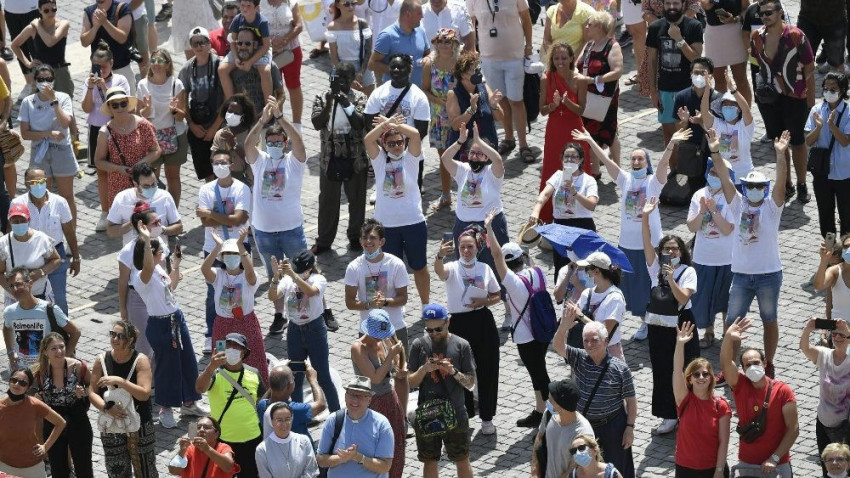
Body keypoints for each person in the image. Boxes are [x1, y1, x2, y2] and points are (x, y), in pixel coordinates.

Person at [572, 127, 670, 341]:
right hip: (627, 245)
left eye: (640, 159)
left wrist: (671, 144)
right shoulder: (625, 179)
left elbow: (664, 164)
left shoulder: (653, 182)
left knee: (650, 284)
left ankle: (654, 320)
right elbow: (607, 162)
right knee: (632, 286)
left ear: (647, 163)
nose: (636, 162)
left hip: (649, 244)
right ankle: (644, 321)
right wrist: (590, 140)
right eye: (633, 159)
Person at [721, 131, 789, 380]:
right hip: (741, 275)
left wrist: (780, 155)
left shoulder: (772, 207)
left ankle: (768, 363)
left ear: (765, 189)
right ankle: (728, 366)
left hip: (769, 274)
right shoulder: (738, 204)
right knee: (732, 323)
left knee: (769, 319)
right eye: (749, 186)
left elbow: (781, 183)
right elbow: (725, 179)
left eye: (759, 186)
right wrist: (716, 151)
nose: (754, 189)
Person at [245, 96, 309, 334]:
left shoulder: (294, 162)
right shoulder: (260, 161)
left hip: (291, 229)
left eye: (277, 142)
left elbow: (299, 141)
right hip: (264, 231)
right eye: (269, 142)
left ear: (284, 143)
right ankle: (279, 315)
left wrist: (281, 118)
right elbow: (248, 146)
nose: (273, 145)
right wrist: (262, 121)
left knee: (302, 270)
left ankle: (307, 311)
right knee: (274, 275)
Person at [132, 223, 205, 428]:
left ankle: (189, 402)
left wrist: (177, 265)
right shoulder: (140, 276)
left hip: (176, 318)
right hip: (161, 324)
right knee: (167, 367)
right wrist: (147, 239)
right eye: (159, 251)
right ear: (150, 253)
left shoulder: (158, 269)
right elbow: (147, 268)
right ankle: (165, 408)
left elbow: (170, 288)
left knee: (187, 360)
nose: (163, 253)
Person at [434, 225, 501, 434]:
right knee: (460, 370)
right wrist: (439, 256)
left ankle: (487, 417)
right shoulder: (453, 267)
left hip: (482, 320)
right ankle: (465, 413)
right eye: (462, 247)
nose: (466, 250)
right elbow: (440, 272)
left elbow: (497, 295)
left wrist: (484, 301)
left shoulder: (484, 268)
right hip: (459, 323)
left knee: (487, 368)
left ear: (477, 248)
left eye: (470, 246)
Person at [641, 194, 699, 435]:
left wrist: (672, 278)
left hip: (682, 324)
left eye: (675, 249)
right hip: (658, 324)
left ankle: (690, 412)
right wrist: (646, 217)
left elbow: (683, 298)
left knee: (687, 368)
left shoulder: (688, 271)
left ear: (681, 251)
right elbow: (646, 242)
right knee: (662, 368)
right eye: (667, 249)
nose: (671, 252)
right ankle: (668, 414)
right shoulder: (655, 267)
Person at [486, 224, 552, 428]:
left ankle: (551, 416)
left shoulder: (512, 282)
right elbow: (527, 262)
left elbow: (497, 255)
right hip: (543, 330)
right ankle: (540, 411)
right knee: (538, 373)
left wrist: (489, 228)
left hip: (526, 336)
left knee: (540, 376)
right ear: (522, 258)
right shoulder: (538, 272)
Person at [750, 0, 814, 203]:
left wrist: (807, 97)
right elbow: (756, 65)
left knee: (797, 141)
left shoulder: (795, 35)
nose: (765, 16)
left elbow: (809, 67)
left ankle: (802, 183)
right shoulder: (756, 37)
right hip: (769, 98)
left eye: (769, 12)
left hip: (795, 97)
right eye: (761, 13)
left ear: (779, 13)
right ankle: (787, 184)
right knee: (779, 142)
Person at [553, 320, 636, 478]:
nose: (589, 344)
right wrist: (564, 326)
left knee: (618, 467)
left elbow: (631, 401)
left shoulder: (620, 368)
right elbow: (557, 346)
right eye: (586, 340)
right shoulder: (579, 357)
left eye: (594, 340)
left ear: (606, 341)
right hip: (586, 426)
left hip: (613, 427)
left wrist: (629, 428)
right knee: (586, 469)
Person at [719, 317, 799, 478]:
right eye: (747, 365)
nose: (752, 367)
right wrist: (728, 338)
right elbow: (726, 363)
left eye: (756, 363)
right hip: (747, 462)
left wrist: (774, 458)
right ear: (743, 369)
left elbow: (793, 429)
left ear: (765, 363)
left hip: (778, 463)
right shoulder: (740, 385)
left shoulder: (783, 391)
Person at [364, 114, 431, 304]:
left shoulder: (411, 158)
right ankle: (392, 305)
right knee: (389, 269)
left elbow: (416, 135)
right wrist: (385, 125)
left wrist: (395, 125)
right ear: (384, 146)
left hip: (413, 222)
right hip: (386, 225)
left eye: (399, 142)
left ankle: (425, 305)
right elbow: (368, 140)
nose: (396, 147)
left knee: (419, 266)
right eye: (391, 144)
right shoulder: (379, 160)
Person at [408, 304, 477, 478]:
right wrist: (424, 369)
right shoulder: (418, 345)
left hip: (455, 413)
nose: (434, 333)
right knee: (430, 461)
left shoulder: (461, 345)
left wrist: (453, 372)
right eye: (429, 330)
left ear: (448, 322)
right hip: (427, 414)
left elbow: (470, 383)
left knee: (462, 459)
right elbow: (411, 381)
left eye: (438, 329)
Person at [440, 124, 509, 297]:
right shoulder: (463, 170)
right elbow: (445, 159)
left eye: (480, 153)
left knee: (497, 265)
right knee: (466, 266)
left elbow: (498, 160)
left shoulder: (492, 172)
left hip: (490, 225)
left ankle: (504, 301)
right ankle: (470, 298)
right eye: (472, 152)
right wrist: (460, 141)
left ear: (486, 156)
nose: (475, 156)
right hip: (463, 225)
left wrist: (478, 140)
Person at [269, 250, 341, 411]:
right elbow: (273, 296)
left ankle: (337, 414)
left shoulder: (319, 279)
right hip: (295, 330)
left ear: (309, 269)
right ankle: (298, 415)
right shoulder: (288, 280)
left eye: (301, 271)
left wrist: (293, 275)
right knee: (295, 377)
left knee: (323, 377)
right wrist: (275, 277)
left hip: (314, 329)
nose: (297, 273)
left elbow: (311, 292)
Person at [197, 149, 252, 353]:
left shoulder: (242, 189)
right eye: (216, 163)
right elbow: (205, 222)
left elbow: (238, 219)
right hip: (213, 248)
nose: (220, 166)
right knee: (214, 292)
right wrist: (226, 218)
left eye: (224, 162)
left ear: (231, 165)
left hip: (239, 246)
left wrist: (211, 214)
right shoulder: (206, 190)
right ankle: (211, 335)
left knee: (242, 290)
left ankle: (241, 330)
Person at [685, 134, 737, 349]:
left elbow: (728, 228)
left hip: (727, 258)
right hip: (703, 257)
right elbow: (692, 227)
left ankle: (727, 332)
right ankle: (708, 331)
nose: (715, 176)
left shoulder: (732, 198)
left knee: (725, 298)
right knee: (704, 297)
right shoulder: (699, 195)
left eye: (719, 173)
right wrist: (702, 211)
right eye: (712, 172)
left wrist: (714, 212)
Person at [311, 63, 369, 255]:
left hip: (355, 159)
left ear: (353, 79)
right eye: (337, 78)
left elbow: (359, 123)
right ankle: (324, 241)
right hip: (329, 158)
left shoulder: (360, 97)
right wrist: (330, 103)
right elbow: (317, 123)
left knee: (357, 200)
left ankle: (355, 237)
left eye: (345, 78)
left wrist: (344, 102)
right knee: (328, 201)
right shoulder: (321, 97)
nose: (341, 82)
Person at [467, 0, 534, 161]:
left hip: (514, 56)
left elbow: (526, 18)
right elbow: (471, 23)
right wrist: (473, 49)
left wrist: (529, 46)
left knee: (516, 100)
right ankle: (509, 138)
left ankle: (523, 144)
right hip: (489, 58)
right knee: (500, 100)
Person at [89, 321, 157, 478]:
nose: (115, 339)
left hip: (140, 423)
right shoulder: (101, 360)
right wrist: (106, 408)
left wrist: (121, 381)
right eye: (113, 334)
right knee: (117, 470)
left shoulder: (140, 360)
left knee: (146, 470)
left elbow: (144, 394)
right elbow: (92, 392)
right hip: (111, 424)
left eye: (120, 336)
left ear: (130, 339)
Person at [201, 230, 268, 383]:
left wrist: (241, 246)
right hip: (222, 325)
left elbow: (250, 274)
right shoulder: (218, 275)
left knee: (254, 359)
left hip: (245, 323)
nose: (231, 257)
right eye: (227, 254)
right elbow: (204, 269)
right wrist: (218, 247)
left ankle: (259, 391)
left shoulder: (249, 276)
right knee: (222, 360)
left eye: (235, 254)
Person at [196, 333, 266, 478]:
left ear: (244, 352)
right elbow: (199, 388)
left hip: (252, 439)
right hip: (223, 440)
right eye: (228, 345)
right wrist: (210, 366)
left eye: (236, 346)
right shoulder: (214, 374)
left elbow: (262, 401)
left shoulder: (254, 373)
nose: (232, 349)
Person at [12, 168, 79, 315]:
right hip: (29, 257)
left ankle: (62, 328)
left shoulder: (59, 202)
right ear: (26, 184)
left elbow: (69, 232)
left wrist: (76, 257)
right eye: (33, 182)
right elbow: (11, 233)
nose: (38, 185)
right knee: (31, 300)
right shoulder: (18, 204)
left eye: (41, 181)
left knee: (59, 300)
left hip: (56, 255)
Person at [351, 310, 407, 478]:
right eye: (377, 336)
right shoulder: (358, 348)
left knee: (397, 444)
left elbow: (395, 367)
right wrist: (391, 355)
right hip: (372, 403)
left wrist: (400, 367)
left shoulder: (383, 341)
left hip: (390, 398)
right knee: (377, 448)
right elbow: (375, 378)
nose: (379, 339)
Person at [530, 141, 599, 277]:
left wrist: (575, 192)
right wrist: (536, 211)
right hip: (561, 226)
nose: (569, 160)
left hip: (582, 225)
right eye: (566, 156)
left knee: (583, 267)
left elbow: (592, 205)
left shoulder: (588, 180)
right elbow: (545, 194)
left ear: (581, 160)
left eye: (574, 157)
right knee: (561, 266)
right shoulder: (557, 176)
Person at [18, 64, 77, 221]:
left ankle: (70, 231)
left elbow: (65, 123)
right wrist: (48, 134)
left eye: (49, 79)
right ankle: (46, 228)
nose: (45, 82)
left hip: (61, 150)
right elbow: (25, 134)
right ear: (35, 81)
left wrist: (54, 101)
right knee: (42, 196)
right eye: (41, 79)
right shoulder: (28, 102)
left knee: (67, 196)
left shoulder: (63, 97)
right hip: (39, 151)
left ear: (54, 80)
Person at [363, 53, 431, 190]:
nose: (395, 70)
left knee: (412, 192)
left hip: (410, 154)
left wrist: (399, 147)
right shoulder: (379, 92)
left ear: (409, 69)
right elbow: (369, 122)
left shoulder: (419, 96)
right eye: (393, 67)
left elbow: (422, 130)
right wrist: (386, 146)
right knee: (387, 191)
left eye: (400, 67)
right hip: (384, 153)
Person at [672, 323, 731, 477]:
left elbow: (723, 441)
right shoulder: (684, 400)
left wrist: (719, 470)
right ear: (689, 379)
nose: (701, 377)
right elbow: (677, 370)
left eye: (705, 374)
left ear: (711, 378)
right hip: (685, 468)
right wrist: (680, 344)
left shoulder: (721, 405)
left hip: (712, 469)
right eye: (696, 374)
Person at [83, 43, 131, 231]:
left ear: (111, 63)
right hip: (97, 130)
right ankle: (105, 212)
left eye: (103, 66)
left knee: (122, 170)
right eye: (96, 66)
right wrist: (90, 89)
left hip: (117, 129)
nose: (100, 70)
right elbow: (87, 108)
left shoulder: (120, 81)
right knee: (102, 173)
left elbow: (121, 109)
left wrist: (104, 89)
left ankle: (125, 210)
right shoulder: (89, 83)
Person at [538, 42, 589, 223]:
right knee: (552, 168)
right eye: (556, 58)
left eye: (564, 58)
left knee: (575, 170)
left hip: (573, 130)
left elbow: (581, 110)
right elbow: (542, 110)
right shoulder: (546, 78)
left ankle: (576, 214)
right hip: (555, 130)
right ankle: (547, 215)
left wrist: (567, 103)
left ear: (571, 59)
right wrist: (553, 105)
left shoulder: (580, 80)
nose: (560, 62)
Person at [32, 332, 94, 478]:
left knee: (84, 466)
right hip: (53, 421)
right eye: (54, 348)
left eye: (61, 347)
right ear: (45, 352)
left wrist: (84, 392)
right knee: (58, 468)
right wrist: (36, 397)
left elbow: (94, 386)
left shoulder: (78, 367)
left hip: (77, 418)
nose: (59, 351)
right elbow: (30, 396)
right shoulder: (40, 372)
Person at [645, 0, 703, 146]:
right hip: (665, 90)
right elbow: (651, 61)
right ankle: (672, 162)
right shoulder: (655, 27)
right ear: (663, 5)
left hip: (689, 89)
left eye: (676, 3)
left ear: (683, 5)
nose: (672, 7)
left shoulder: (694, 26)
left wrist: (679, 39)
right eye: (668, 3)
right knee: (669, 136)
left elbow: (696, 59)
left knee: (689, 135)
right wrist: (653, 91)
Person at [344, 219, 411, 348]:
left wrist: (385, 302)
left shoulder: (396, 264)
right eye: (365, 238)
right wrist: (369, 304)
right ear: (360, 241)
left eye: (373, 238)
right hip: (368, 331)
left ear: (382, 241)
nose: (368, 241)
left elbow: (403, 298)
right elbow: (350, 302)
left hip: (395, 327)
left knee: (401, 362)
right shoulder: (353, 267)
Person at [94, 87, 162, 210]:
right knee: (123, 217)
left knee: (147, 216)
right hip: (118, 184)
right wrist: (118, 168)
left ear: (128, 104)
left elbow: (156, 150)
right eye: (115, 105)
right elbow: (99, 161)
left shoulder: (142, 125)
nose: (120, 108)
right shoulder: (105, 132)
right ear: (110, 108)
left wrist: (139, 165)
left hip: (143, 181)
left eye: (123, 104)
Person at [137, 49, 188, 206]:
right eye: (153, 61)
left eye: (160, 61)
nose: (156, 64)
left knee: (173, 177)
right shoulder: (143, 85)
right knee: (151, 178)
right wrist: (145, 110)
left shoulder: (176, 84)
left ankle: (173, 211)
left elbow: (181, 116)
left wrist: (174, 111)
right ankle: (154, 211)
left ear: (167, 64)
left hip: (175, 135)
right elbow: (139, 116)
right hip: (151, 138)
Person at [799, 318, 850, 476]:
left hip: (845, 425)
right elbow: (805, 348)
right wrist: (808, 329)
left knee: (845, 469)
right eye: (835, 334)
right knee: (827, 468)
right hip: (823, 422)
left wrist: (848, 331)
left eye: (842, 335)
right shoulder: (824, 355)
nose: (838, 338)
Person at [315, 376, 394, 477]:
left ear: (369, 400)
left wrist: (359, 457)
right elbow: (320, 460)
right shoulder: (333, 420)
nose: (355, 400)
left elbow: (385, 466)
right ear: (345, 396)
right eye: (352, 395)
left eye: (361, 396)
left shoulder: (382, 425)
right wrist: (341, 458)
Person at [806, 72, 850, 238]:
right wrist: (818, 128)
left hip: (845, 173)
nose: (829, 91)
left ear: (842, 90)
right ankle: (829, 250)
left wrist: (832, 126)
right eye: (826, 88)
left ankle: (846, 251)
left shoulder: (848, 112)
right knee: (825, 215)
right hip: (822, 172)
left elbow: (845, 141)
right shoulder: (816, 110)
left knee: (847, 215)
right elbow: (808, 141)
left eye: (833, 88)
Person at [0, 368, 66, 478]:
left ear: (29, 387)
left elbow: (60, 423)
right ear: (9, 381)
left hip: (32, 467)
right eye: (14, 380)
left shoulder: (34, 404)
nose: (17, 384)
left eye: (22, 383)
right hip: (5, 466)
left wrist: (45, 447)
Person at [577, 11, 622, 171]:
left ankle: (617, 169)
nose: (586, 27)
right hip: (587, 96)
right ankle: (595, 169)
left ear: (600, 27)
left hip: (605, 99)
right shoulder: (589, 45)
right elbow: (577, 65)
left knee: (609, 133)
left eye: (590, 24)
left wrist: (594, 80)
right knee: (590, 132)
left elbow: (617, 72)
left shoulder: (612, 46)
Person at [181, 27, 224, 183]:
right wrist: (191, 124)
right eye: (195, 43)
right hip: (198, 125)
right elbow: (182, 99)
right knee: (207, 172)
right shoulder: (187, 69)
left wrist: (215, 127)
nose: (199, 46)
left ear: (209, 43)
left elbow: (228, 97)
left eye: (202, 42)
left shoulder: (220, 64)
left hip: (219, 124)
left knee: (223, 168)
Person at [422, 28, 459, 211]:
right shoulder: (430, 63)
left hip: (457, 114)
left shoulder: (460, 63)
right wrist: (439, 101)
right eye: (441, 42)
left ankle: (468, 193)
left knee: (463, 156)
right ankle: (446, 194)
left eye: (448, 42)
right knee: (444, 157)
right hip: (438, 116)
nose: (444, 45)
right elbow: (424, 89)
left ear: (454, 44)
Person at [444, 51, 503, 164]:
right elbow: (455, 125)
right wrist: (471, 110)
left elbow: (500, 118)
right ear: (463, 75)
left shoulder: (484, 87)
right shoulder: (453, 94)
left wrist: (494, 106)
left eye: (478, 67)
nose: (478, 71)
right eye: (473, 69)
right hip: (465, 150)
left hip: (487, 145)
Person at [529, 379, 594, 478]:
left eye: (551, 399)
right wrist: (535, 472)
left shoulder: (583, 433)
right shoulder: (549, 414)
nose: (547, 400)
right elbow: (539, 439)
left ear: (560, 406)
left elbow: (577, 469)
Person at [107, 162, 182, 246]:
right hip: (133, 251)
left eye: (154, 184)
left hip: (159, 250)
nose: (151, 188)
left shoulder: (165, 196)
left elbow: (179, 226)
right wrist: (132, 224)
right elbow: (111, 231)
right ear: (135, 184)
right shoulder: (122, 198)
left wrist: (163, 230)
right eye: (146, 186)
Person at [0, 203, 61, 304]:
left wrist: (40, 272)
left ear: (28, 220)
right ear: (10, 222)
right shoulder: (3, 243)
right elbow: (0, 273)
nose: (19, 224)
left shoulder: (41, 239)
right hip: (15, 299)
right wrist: (14, 291)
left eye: (22, 221)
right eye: (15, 221)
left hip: (41, 295)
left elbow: (56, 260)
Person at [700, 73, 755, 182]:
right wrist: (707, 90)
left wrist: (733, 90)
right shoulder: (717, 125)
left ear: (738, 109)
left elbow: (746, 109)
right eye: (725, 104)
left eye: (732, 105)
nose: (727, 107)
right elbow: (704, 111)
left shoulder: (745, 125)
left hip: (746, 177)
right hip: (724, 178)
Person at [218, 0, 273, 104]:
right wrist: (236, 58)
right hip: (240, 47)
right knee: (222, 69)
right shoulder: (237, 19)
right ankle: (232, 102)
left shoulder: (262, 22)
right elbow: (232, 40)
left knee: (265, 71)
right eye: (243, 5)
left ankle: (268, 105)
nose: (245, 8)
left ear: (256, 8)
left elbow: (266, 46)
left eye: (248, 6)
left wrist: (250, 62)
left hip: (259, 49)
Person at [261, 0, 304, 131]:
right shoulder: (259, 3)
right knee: (275, 89)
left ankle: (297, 126)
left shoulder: (291, 2)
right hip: (269, 52)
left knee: (294, 85)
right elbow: (254, 24)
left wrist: (284, 40)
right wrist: (269, 42)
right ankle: (278, 125)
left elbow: (299, 26)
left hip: (291, 50)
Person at [369, 0, 431, 87]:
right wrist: (397, 70)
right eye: (419, 13)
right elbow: (372, 64)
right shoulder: (387, 36)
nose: (422, 16)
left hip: (418, 90)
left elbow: (428, 53)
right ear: (408, 14)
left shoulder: (420, 32)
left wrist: (428, 58)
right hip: (394, 91)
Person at [81, 0, 136, 94]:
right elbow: (84, 42)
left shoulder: (122, 9)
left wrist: (104, 22)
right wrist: (95, 27)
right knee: (96, 102)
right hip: (98, 70)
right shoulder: (89, 11)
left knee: (126, 102)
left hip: (121, 68)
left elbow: (122, 38)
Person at [257, 363, 327, 438]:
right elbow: (321, 404)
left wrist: (277, 379)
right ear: (289, 386)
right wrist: (313, 379)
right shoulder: (295, 410)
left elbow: (267, 394)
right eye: (293, 379)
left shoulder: (262, 406)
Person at [700, 0, 750, 102]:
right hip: (714, 35)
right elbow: (705, 4)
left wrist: (736, 18)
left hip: (735, 32)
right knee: (719, 80)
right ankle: (721, 111)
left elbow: (746, 8)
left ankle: (745, 111)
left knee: (740, 78)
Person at [255, 402, 319, 478]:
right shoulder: (262, 450)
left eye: (287, 419)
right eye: (279, 420)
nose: (284, 424)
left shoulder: (304, 441)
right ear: (271, 421)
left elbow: (311, 469)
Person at [326, 0, 375, 94]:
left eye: (353, 3)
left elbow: (368, 51)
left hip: (363, 66)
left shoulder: (362, 24)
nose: (351, 7)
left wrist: (361, 73)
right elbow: (334, 57)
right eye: (346, 4)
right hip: (343, 68)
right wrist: (347, 78)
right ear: (338, 5)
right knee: (345, 101)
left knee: (368, 100)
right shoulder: (333, 27)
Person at [168, 416, 239, 478]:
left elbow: (228, 467)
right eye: (198, 427)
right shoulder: (189, 448)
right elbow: (173, 471)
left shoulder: (223, 448)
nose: (201, 430)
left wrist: (207, 449)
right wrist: (182, 451)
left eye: (207, 427)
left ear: (216, 434)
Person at [212, 94, 257, 186]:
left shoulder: (252, 135)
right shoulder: (220, 134)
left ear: (243, 116)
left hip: (246, 180)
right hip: (224, 180)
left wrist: (234, 145)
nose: (232, 115)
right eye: (230, 111)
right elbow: (214, 158)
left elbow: (254, 160)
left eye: (236, 113)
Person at [815, 234, 850, 322]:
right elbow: (818, 285)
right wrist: (824, 260)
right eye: (846, 246)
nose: (849, 249)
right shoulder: (835, 272)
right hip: (839, 328)